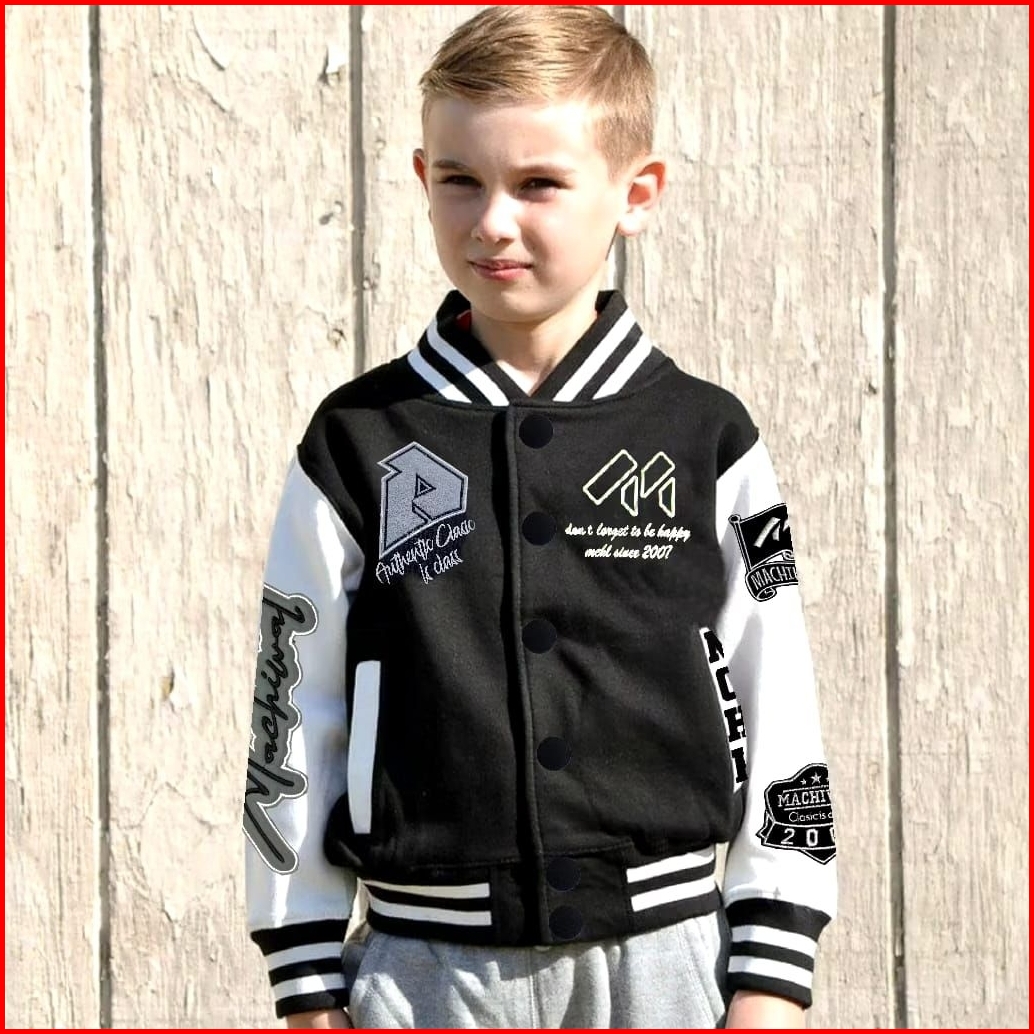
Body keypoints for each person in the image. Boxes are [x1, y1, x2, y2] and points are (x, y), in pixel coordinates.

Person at [243, 5, 837, 1029]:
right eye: (460, 180)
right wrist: (303, 965)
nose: (492, 220)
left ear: (635, 194)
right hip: (423, 967)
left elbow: (777, 692)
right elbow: (292, 707)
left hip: (669, 960)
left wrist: (772, 967)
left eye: (538, 184)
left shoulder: (705, 438)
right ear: (422, 178)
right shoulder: (357, 440)